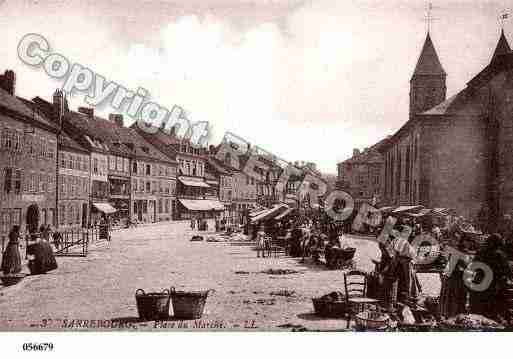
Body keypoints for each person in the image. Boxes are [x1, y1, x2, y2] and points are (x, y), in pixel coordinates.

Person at [469, 233, 512, 319]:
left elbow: (473, 267)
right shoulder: (500, 255)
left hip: (479, 284)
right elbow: (507, 271)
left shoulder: (480, 252)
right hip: (493, 287)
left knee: (477, 313)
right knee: (491, 314)